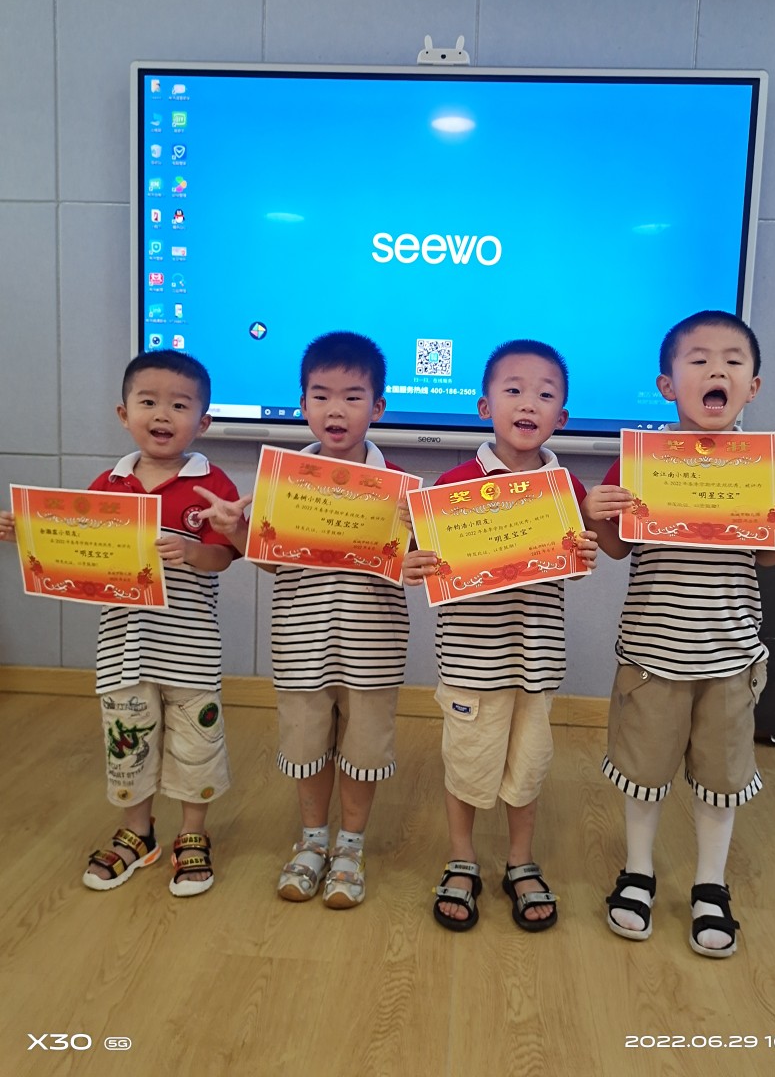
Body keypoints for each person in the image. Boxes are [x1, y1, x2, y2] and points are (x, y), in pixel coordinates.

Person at [582, 310, 775, 957]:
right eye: (699, 360)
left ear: (753, 386)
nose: (717, 369)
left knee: (721, 777)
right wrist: (597, 515)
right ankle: (638, 871)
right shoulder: (638, 462)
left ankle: (710, 884)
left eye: (733, 361)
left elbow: (767, 555)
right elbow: (616, 549)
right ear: (667, 385)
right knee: (643, 771)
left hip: (731, 656)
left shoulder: (764, 468)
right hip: (651, 656)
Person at [0, 350, 241, 896]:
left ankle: (193, 833)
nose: (162, 414)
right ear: (123, 413)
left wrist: (191, 550)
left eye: (179, 405)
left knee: (196, 743)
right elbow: (76, 549)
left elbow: (225, 557)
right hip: (122, 647)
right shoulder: (107, 484)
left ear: (203, 421)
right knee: (127, 742)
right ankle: (139, 833)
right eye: (148, 401)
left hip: (190, 648)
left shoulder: (212, 483)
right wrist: (29, 533)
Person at [197, 331, 409, 909]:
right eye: (321, 396)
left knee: (363, 750)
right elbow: (269, 562)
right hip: (300, 642)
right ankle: (313, 840)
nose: (336, 409)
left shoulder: (399, 490)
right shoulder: (283, 481)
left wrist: (418, 544)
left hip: (373, 646)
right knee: (307, 741)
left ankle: (351, 848)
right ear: (302, 404)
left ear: (378, 406)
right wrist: (236, 530)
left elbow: (413, 565)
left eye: (352, 397)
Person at [402, 340, 598, 932]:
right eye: (513, 390)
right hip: (471, 661)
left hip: (536, 658)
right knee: (467, 762)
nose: (528, 403)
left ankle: (519, 860)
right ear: (485, 406)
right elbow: (425, 560)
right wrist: (417, 559)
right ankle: (462, 858)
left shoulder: (567, 489)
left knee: (529, 765)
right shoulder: (453, 485)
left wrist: (583, 553)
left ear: (562, 415)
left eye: (545, 394)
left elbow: (578, 565)